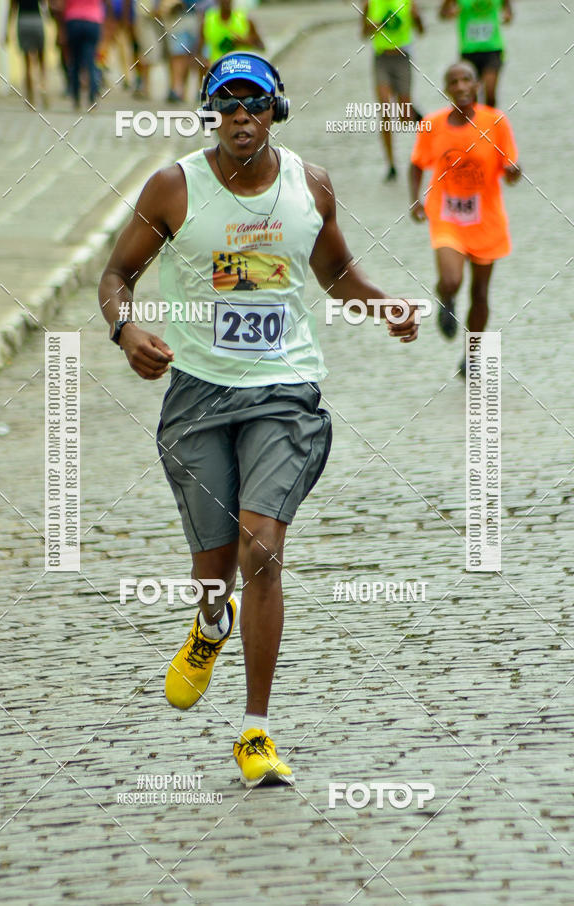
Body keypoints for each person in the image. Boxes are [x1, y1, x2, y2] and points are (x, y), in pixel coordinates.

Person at [98, 52, 419, 787]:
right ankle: (212, 621)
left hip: (285, 390)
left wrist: (385, 305)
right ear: (210, 113)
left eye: (255, 104)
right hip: (198, 395)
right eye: (227, 104)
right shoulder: (174, 187)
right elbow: (116, 274)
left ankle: (255, 730)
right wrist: (125, 329)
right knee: (214, 570)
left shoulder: (312, 186)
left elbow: (336, 274)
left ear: (277, 110)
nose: (241, 117)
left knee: (262, 549)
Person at [409, 60, 520, 374]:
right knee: (451, 280)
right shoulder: (432, 124)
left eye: (466, 80)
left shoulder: (495, 122)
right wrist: (415, 199)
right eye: (454, 81)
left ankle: (471, 354)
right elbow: (416, 163)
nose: (460, 86)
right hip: (447, 216)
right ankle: (446, 299)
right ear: (446, 89)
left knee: (480, 293)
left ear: (476, 85)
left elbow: (510, 166)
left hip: (486, 220)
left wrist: (514, 172)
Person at [362, 0, 425, 182]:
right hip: (382, 59)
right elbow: (363, 33)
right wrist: (371, 25)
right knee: (385, 109)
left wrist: (417, 18)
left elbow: (421, 31)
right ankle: (390, 164)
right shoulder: (370, 3)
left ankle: (421, 120)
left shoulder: (407, 2)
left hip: (402, 58)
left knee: (405, 117)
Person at [439, 0, 513, 108]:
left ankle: (490, 118)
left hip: (492, 49)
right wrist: (450, 12)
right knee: (471, 97)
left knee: (490, 94)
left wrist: (508, 14)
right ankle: (473, 118)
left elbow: (507, 6)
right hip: (469, 51)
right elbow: (442, 14)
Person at [4, 0, 48, 107]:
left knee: (27, 64)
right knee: (41, 60)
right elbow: (44, 5)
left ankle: (30, 98)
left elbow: (12, 10)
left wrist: (6, 31)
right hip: (37, 20)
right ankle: (44, 89)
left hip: (22, 22)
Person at [63, 0, 106, 108]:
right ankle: (92, 97)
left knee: (75, 61)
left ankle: (76, 97)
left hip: (74, 20)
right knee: (91, 61)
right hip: (93, 20)